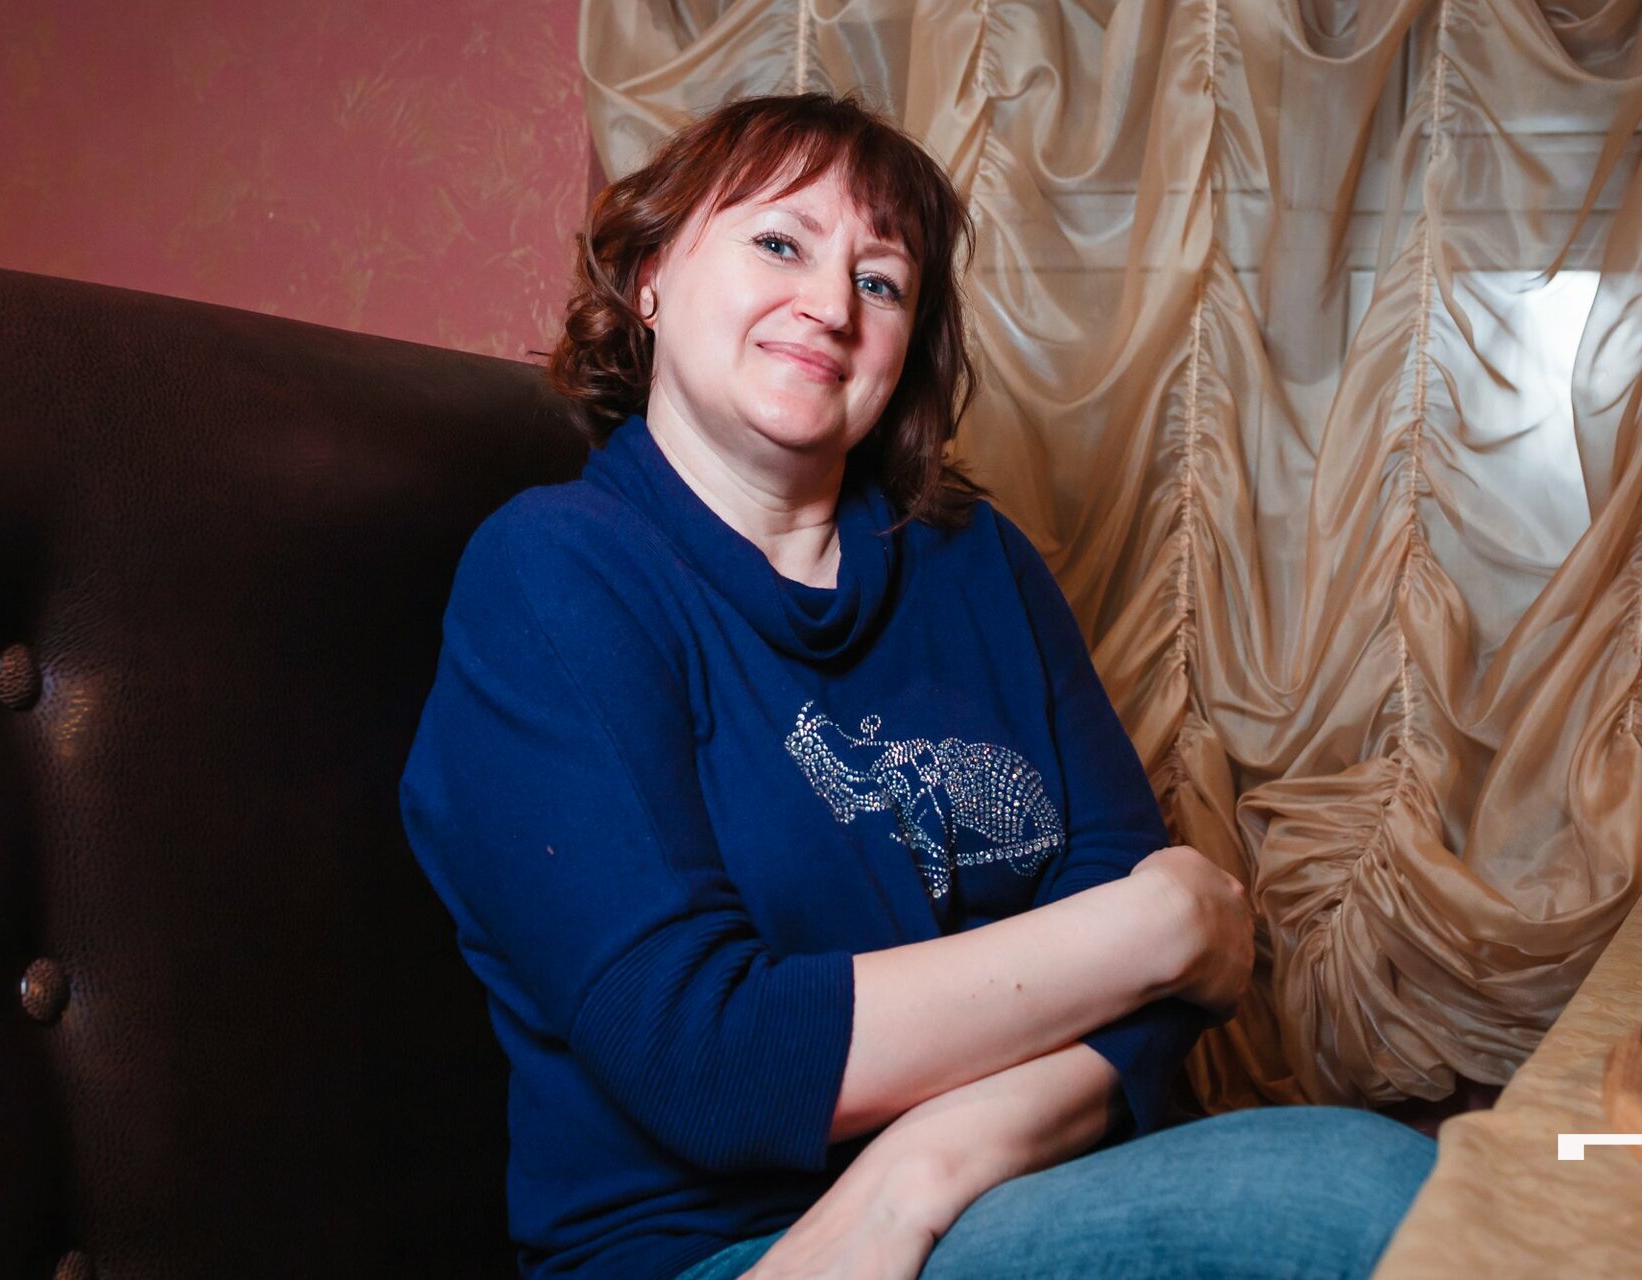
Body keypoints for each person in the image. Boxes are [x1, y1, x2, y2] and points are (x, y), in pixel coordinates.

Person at [397, 91, 1436, 1280]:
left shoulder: (976, 558)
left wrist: (921, 1169)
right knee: (1363, 1198)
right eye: (779, 242)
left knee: (1450, 1188)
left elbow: (1149, 997)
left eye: (880, 282)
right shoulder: (551, 575)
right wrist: (1163, 925)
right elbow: (714, 1060)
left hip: (1002, 1179)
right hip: (723, 1251)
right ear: (651, 277)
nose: (831, 306)